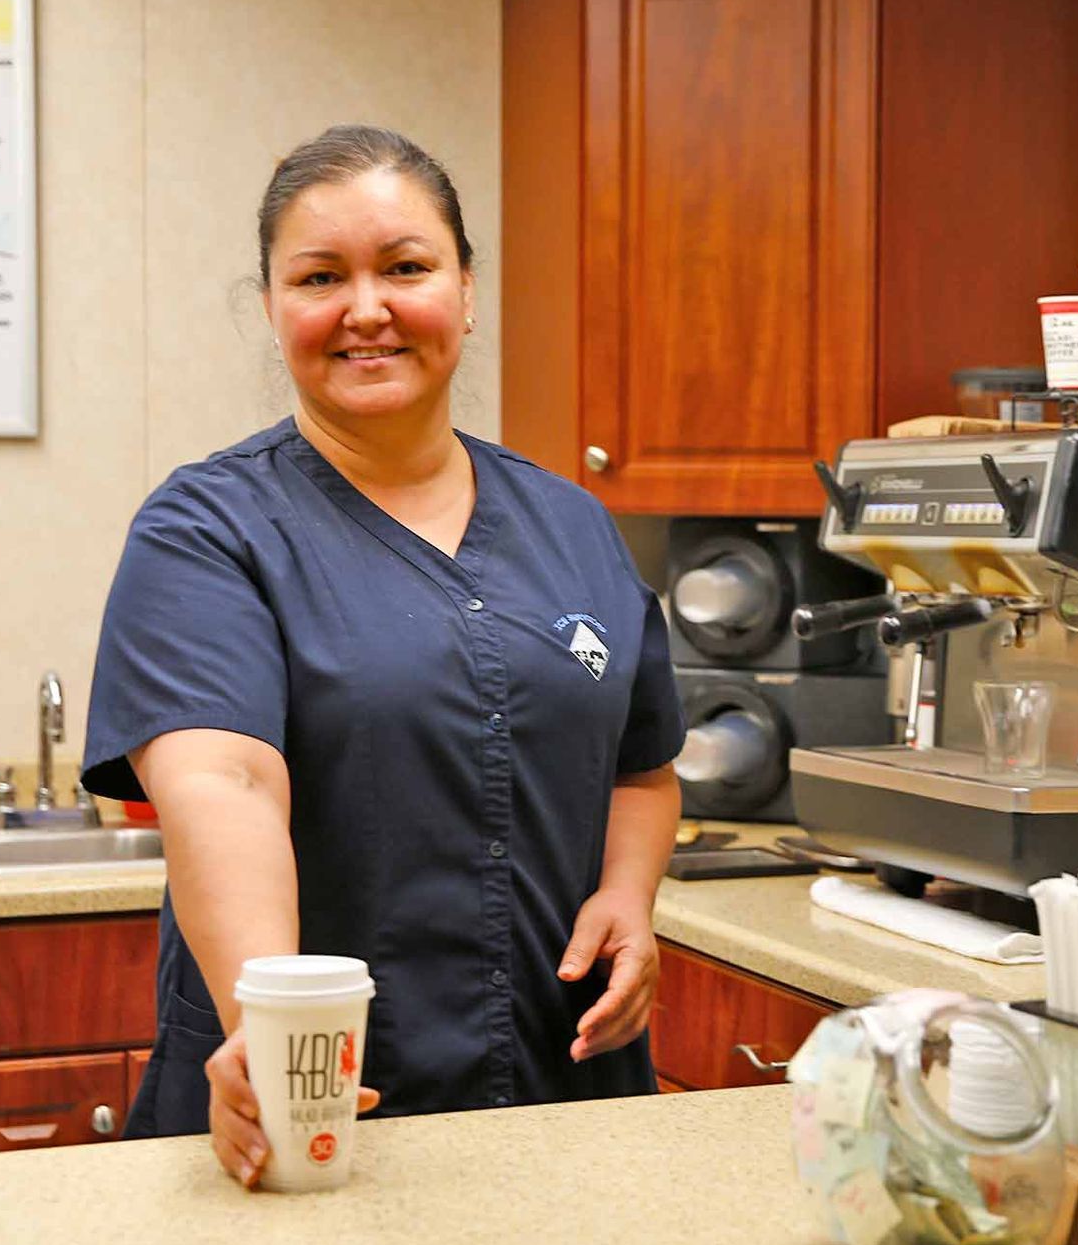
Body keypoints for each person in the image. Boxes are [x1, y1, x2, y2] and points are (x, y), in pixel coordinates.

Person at [82, 124, 685, 1187]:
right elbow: (222, 782)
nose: (368, 308)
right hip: (313, 1106)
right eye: (321, 277)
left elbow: (641, 764)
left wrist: (630, 897)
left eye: (406, 267)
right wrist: (276, 1035)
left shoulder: (575, 526)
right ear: (272, 307)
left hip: (564, 1100)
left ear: (466, 290)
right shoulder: (207, 532)